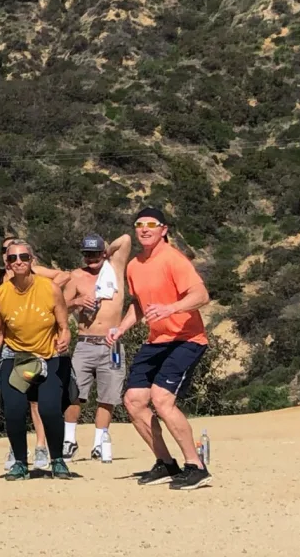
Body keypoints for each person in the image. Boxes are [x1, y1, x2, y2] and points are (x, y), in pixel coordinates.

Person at [107, 207, 212, 490]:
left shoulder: (173, 259)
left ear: (163, 229)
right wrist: (121, 328)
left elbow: (201, 295)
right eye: (139, 224)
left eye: (151, 224)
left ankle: (196, 467)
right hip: (156, 341)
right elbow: (139, 305)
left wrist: (171, 308)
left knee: (161, 399)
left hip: (187, 339)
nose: (144, 229)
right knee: (133, 401)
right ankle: (166, 464)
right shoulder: (134, 265)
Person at [0, 231, 65, 471]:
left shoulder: (47, 287)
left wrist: (63, 337)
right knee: (14, 409)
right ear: (6, 261)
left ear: (32, 260)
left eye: (23, 256)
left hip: (46, 355)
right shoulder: (0, 289)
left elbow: (63, 323)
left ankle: (54, 456)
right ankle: (20, 460)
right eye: (11, 257)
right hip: (15, 355)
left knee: (48, 408)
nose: (17, 261)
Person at [60, 232, 132, 461]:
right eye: (87, 255)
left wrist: (108, 252)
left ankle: (100, 442)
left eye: (95, 254)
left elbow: (127, 239)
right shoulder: (76, 277)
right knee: (74, 393)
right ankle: (69, 440)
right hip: (85, 341)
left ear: (103, 253)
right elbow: (60, 306)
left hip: (111, 342)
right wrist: (77, 302)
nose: (91, 259)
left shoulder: (115, 268)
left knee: (108, 396)